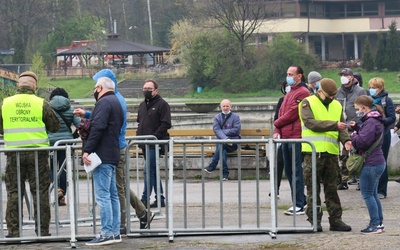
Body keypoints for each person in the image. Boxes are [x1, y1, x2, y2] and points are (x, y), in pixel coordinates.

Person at [0, 71, 60, 237]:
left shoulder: (6, 103)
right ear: (34, 85)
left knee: (14, 193)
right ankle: (42, 231)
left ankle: (13, 232)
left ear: (18, 85)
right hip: (38, 154)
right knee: (40, 193)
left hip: (14, 155)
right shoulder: (41, 103)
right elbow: (55, 126)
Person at [299, 78, 352, 232]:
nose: (331, 98)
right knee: (312, 188)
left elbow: (342, 127)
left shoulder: (336, 105)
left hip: (330, 153)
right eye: (329, 96)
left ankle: (336, 220)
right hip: (312, 152)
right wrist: (333, 125)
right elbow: (310, 123)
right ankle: (315, 220)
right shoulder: (307, 103)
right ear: (319, 90)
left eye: (333, 96)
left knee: (332, 188)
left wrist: (346, 140)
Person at [83, 77, 124, 246]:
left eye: (95, 87)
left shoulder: (104, 102)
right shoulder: (116, 102)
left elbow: (98, 126)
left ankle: (106, 232)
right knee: (113, 195)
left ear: (99, 87)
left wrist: (87, 149)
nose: (94, 90)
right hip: (112, 152)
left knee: (103, 196)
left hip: (101, 155)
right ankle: (115, 232)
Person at [273, 65, 309, 215]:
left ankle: (299, 204)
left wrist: (276, 124)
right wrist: (277, 130)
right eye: (287, 74)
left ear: (299, 76)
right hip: (286, 137)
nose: (287, 76)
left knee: (296, 171)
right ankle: (301, 199)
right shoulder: (290, 92)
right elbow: (281, 112)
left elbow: (292, 113)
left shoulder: (303, 92)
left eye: (290, 74)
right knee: (288, 171)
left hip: (295, 137)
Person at [350, 95, 385, 234]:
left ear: (364, 108)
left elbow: (362, 142)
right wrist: (358, 128)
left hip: (371, 163)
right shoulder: (374, 120)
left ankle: (375, 224)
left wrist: (353, 136)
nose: (357, 111)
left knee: (368, 194)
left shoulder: (370, 122)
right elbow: (369, 136)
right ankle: (378, 222)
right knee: (373, 194)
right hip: (377, 161)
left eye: (358, 109)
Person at [137, 79, 171, 208]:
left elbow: (166, 123)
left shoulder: (162, 104)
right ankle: (160, 198)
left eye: (149, 89)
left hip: (155, 144)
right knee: (153, 171)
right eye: (145, 88)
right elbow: (140, 123)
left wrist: (154, 137)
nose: (146, 91)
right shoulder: (142, 105)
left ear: (156, 90)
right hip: (144, 143)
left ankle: (145, 198)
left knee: (148, 171)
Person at [48, 87, 81, 206]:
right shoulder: (70, 109)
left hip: (51, 143)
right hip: (66, 143)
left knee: (51, 167)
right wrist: (73, 136)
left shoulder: (47, 109)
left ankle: (56, 189)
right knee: (64, 168)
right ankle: (62, 196)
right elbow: (80, 125)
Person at [335, 68, 368, 190]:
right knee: (343, 155)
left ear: (352, 77)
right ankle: (343, 180)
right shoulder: (338, 92)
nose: (343, 77)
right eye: (341, 75)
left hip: (356, 126)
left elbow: (364, 109)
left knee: (357, 154)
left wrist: (358, 125)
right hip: (341, 126)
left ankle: (360, 180)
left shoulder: (360, 91)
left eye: (345, 75)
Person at [367, 77, 395, 199]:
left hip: (383, 135)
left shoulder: (386, 100)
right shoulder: (368, 101)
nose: (371, 90)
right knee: (370, 162)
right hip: (370, 136)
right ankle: (371, 188)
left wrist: (381, 121)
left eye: (374, 87)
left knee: (381, 161)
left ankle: (382, 190)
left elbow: (392, 118)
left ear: (380, 88)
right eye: (370, 87)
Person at [204, 99, 241, 181]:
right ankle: (225, 174)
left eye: (227, 106)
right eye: (223, 106)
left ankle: (213, 165)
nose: (225, 108)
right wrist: (226, 139)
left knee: (221, 145)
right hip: (223, 142)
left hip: (233, 143)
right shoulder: (217, 117)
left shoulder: (236, 117)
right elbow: (216, 130)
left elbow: (236, 130)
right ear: (220, 107)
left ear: (230, 107)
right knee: (222, 148)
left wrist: (223, 134)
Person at [269, 80, 289, 198]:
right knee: (279, 162)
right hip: (283, 136)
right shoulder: (281, 101)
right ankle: (275, 188)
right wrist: (277, 131)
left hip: (295, 136)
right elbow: (276, 118)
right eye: (286, 86)